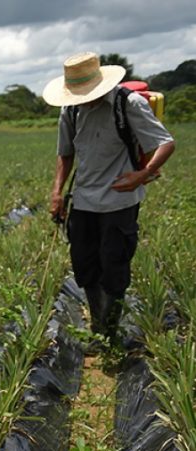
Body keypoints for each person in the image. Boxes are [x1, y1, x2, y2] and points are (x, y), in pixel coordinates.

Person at [44, 52, 175, 348]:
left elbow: (165, 143)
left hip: (120, 200)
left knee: (114, 267)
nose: (83, 99)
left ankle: (109, 334)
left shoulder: (128, 103)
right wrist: (57, 192)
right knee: (85, 267)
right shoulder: (70, 111)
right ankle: (98, 326)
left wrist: (142, 175)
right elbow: (65, 153)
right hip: (83, 201)